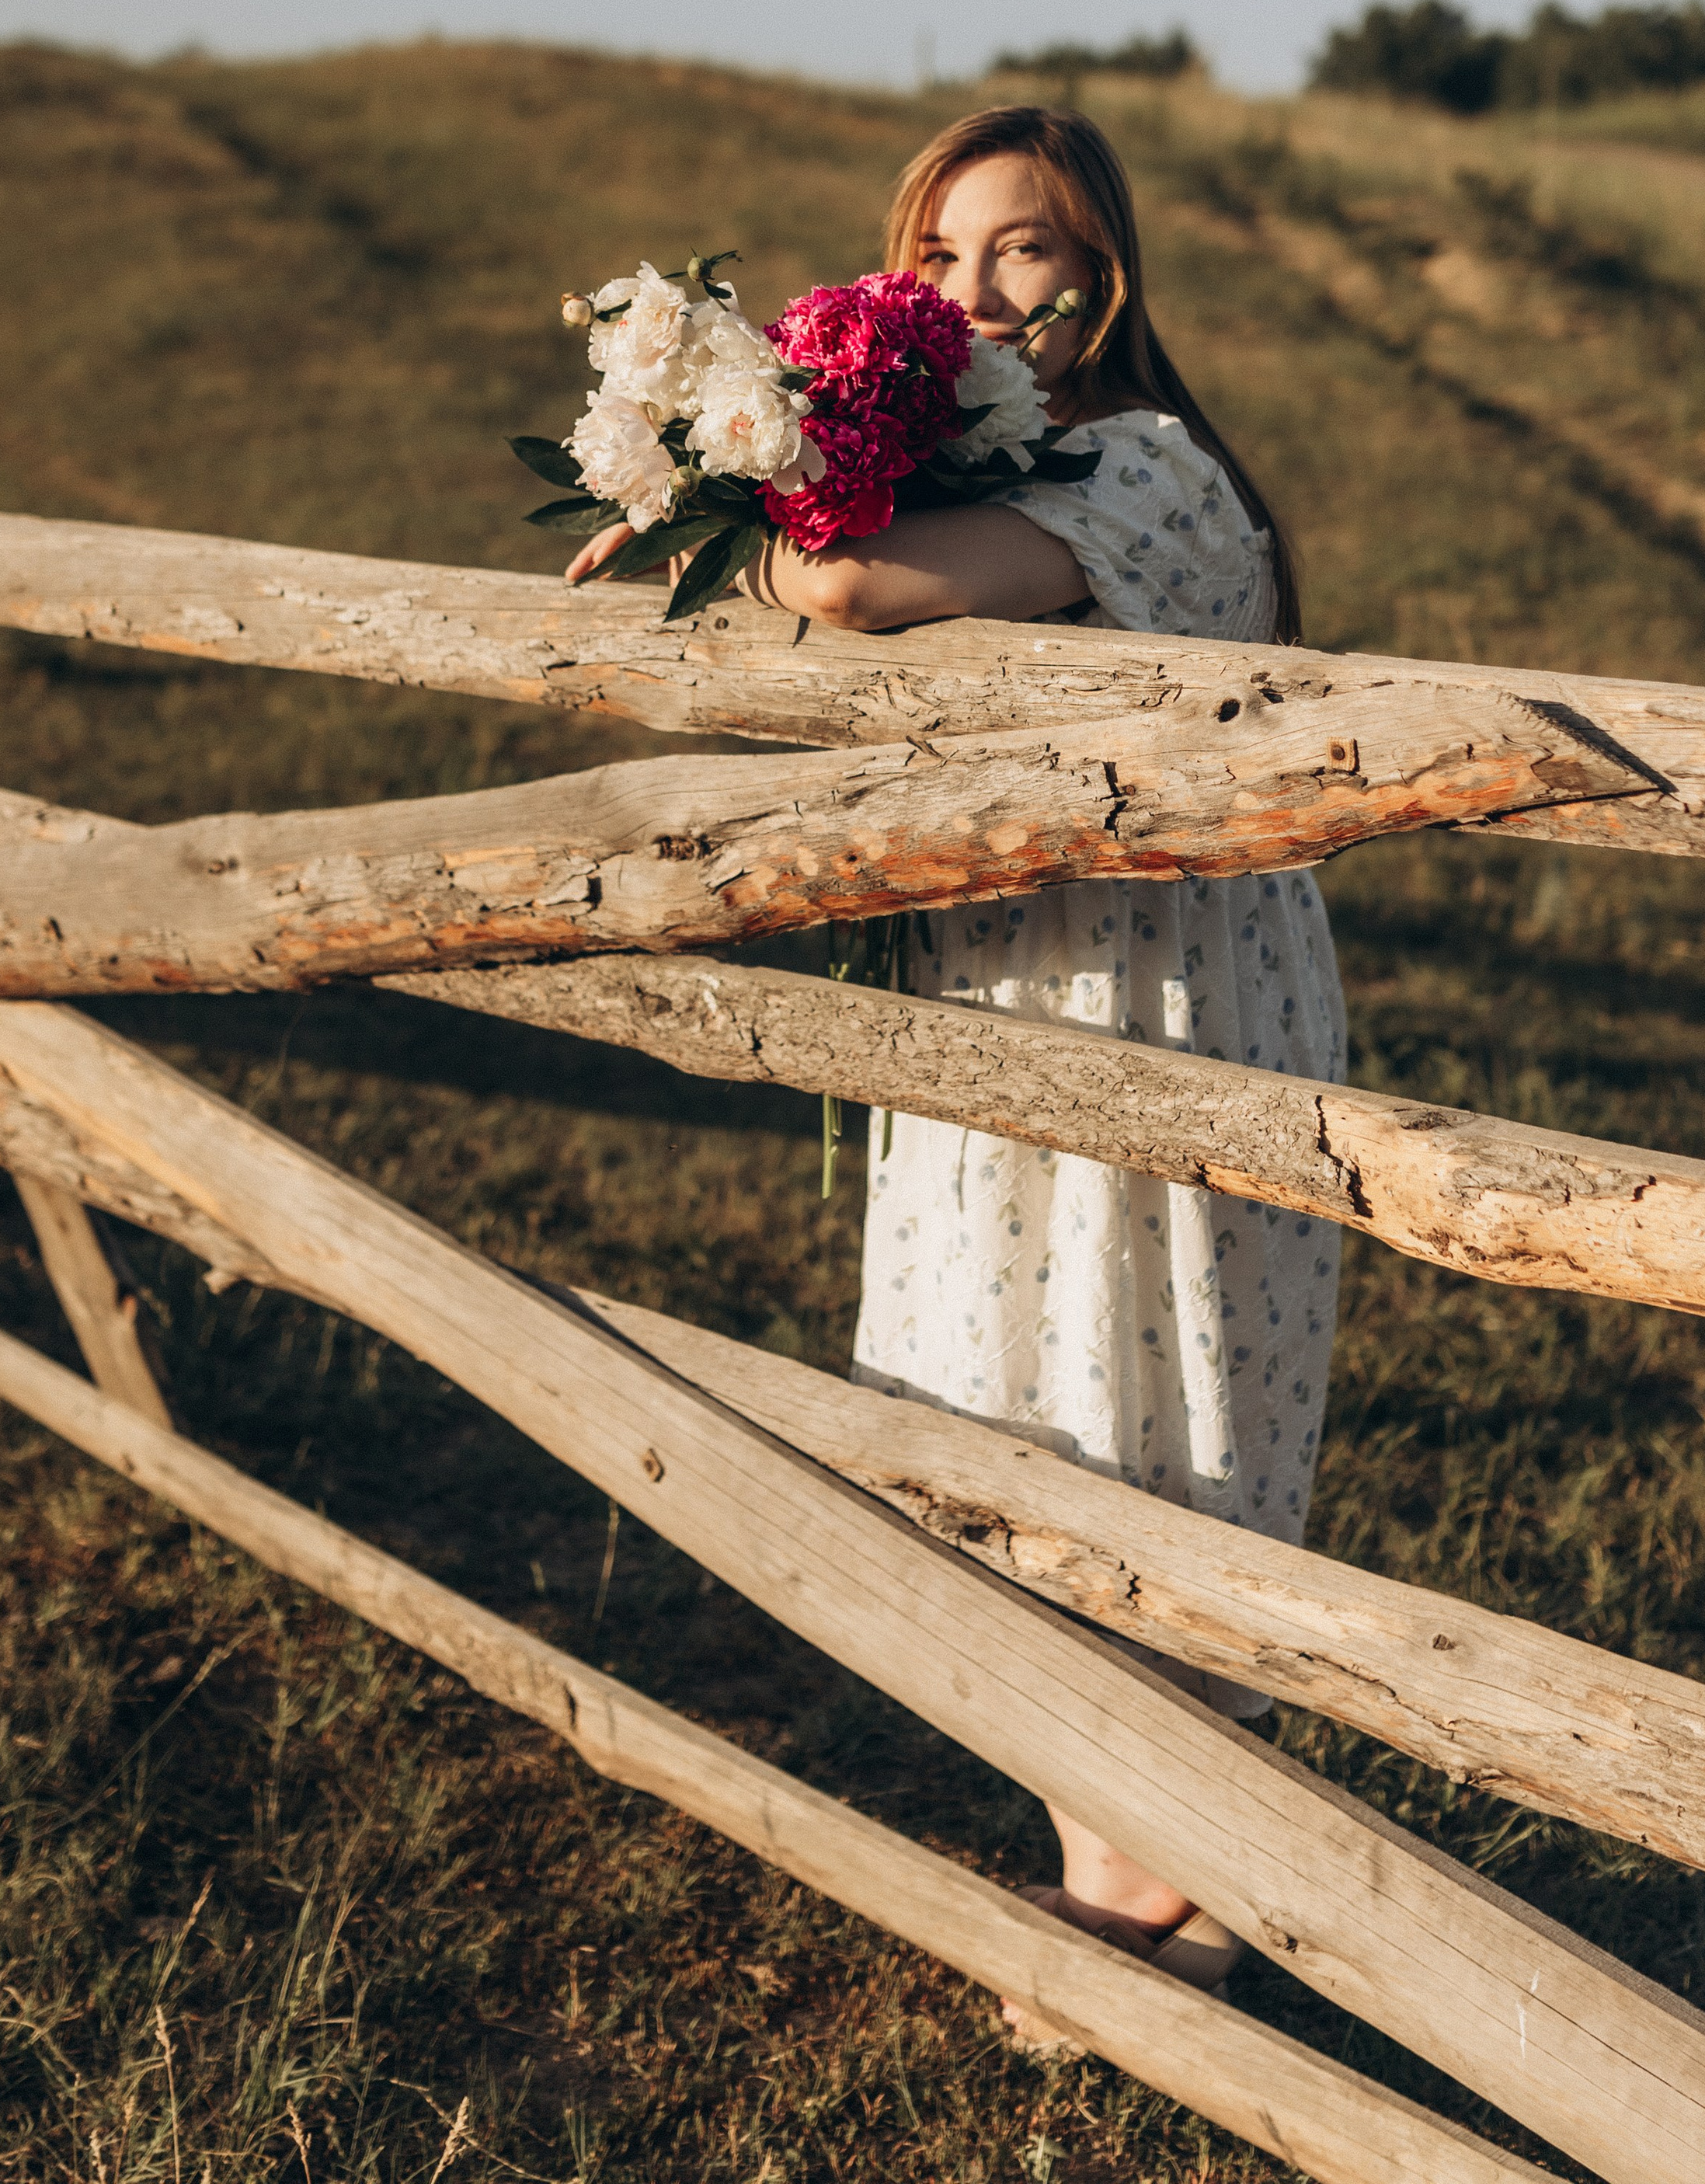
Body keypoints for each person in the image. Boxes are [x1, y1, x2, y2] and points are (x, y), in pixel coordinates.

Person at [567, 103, 1345, 2021]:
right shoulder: (973, 462)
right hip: (1003, 984)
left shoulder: (1145, 472)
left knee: (1143, 1402)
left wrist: (721, 525)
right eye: (933, 258)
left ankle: (1169, 1889)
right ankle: (1129, 1865)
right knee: (1006, 1396)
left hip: (1149, 993)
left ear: (1106, 267)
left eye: (1019, 248)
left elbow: (852, 594)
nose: (976, 292)